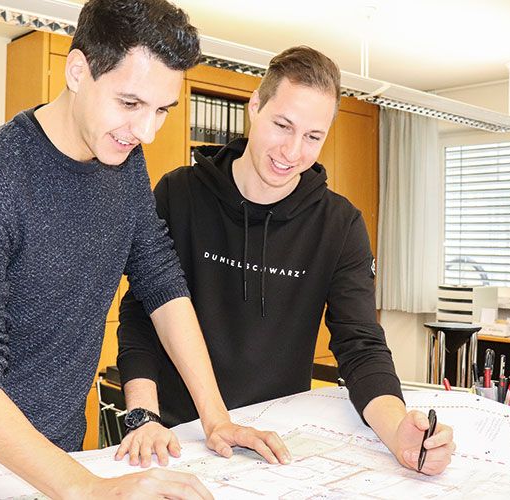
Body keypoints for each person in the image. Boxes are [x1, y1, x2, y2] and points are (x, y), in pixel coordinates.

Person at [0, 0, 287, 497]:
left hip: (67, 455)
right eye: (130, 104)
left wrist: (215, 418)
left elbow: (160, 280)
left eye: (161, 111)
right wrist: (90, 490)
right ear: (77, 70)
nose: (146, 131)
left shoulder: (124, 160)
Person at [116, 45, 456, 476]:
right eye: (282, 125)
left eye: (313, 137)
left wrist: (396, 430)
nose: (292, 152)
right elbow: (142, 313)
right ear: (255, 107)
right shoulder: (178, 194)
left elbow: (360, 344)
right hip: (177, 434)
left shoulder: (339, 224)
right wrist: (144, 415)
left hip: (272, 443)